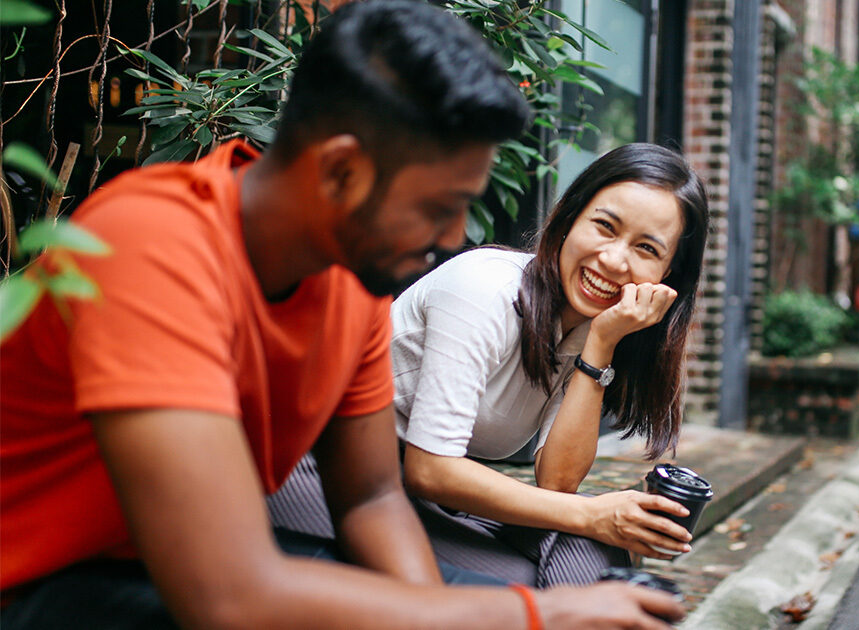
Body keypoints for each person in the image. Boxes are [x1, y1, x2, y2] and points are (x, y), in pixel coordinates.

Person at [0, 2, 683, 628]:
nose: (451, 239)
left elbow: (372, 501)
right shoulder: (153, 247)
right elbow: (230, 599)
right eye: (438, 208)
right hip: (47, 584)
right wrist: (535, 618)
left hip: (192, 567)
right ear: (340, 173)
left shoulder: (352, 283)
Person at [270, 143, 710, 587]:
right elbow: (431, 470)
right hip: (323, 474)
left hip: (410, 498)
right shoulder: (482, 289)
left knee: (591, 556)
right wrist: (596, 513)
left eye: (646, 249)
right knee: (537, 582)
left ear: (667, 275)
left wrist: (600, 345)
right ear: (570, 216)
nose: (614, 260)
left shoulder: (597, 326)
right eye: (604, 226)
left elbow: (556, 484)